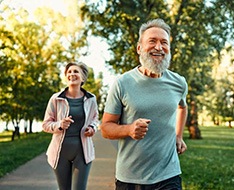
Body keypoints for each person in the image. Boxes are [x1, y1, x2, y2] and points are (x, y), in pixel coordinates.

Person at [100, 18, 188, 190]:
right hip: (131, 178)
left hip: (169, 174)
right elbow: (105, 128)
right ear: (139, 48)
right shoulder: (122, 83)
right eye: (152, 41)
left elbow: (182, 107)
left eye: (164, 42)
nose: (158, 47)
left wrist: (179, 136)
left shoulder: (179, 83)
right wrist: (129, 129)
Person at [42, 62, 99, 190]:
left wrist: (92, 128)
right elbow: (45, 124)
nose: (72, 74)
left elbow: (95, 119)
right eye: (69, 72)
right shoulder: (56, 99)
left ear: (83, 78)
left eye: (76, 71)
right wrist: (59, 125)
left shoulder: (91, 99)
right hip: (60, 153)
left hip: (83, 152)